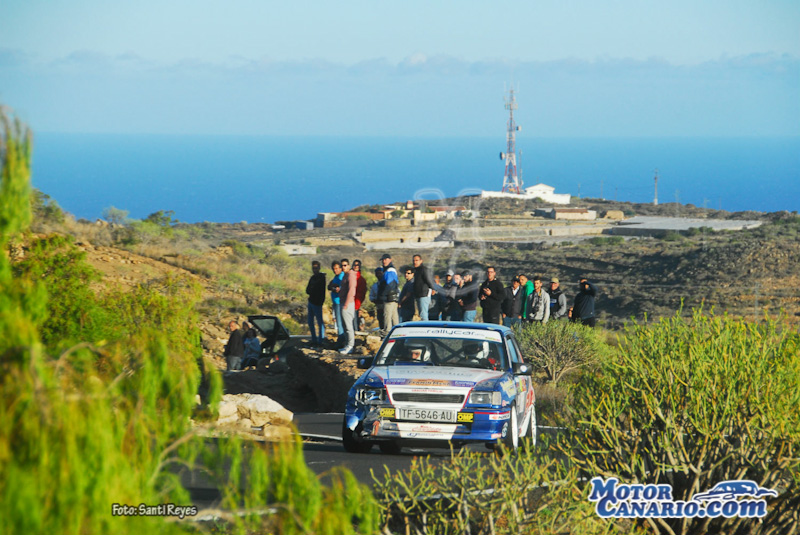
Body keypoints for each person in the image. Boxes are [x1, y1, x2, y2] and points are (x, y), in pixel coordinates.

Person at [338, 258, 357, 354]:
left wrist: (346, 304)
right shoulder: (345, 275)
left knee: (348, 326)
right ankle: (347, 345)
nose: (343, 267)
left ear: (349, 265)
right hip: (343, 302)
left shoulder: (351, 275)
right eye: (342, 266)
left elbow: (351, 290)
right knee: (345, 325)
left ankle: (350, 346)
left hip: (348, 303)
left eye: (345, 265)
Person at [305, 260, 326, 345]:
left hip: (317, 302)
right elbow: (307, 290)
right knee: (310, 322)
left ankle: (321, 340)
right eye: (313, 268)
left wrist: (312, 289)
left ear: (319, 268)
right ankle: (314, 339)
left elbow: (320, 290)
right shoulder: (312, 278)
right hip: (311, 301)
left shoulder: (321, 278)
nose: (315, 270)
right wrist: (312, 289)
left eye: (316, 268)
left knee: (319, 322)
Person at [378, 254, 400, 333]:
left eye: (385, 259)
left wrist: (383, 295)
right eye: (383, 260)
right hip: (393, 297)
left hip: (389, 298)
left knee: (387, 316)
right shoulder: (390, 270)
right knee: (394, 317)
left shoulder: (389, 270)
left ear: (390, 260)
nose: (384, 261)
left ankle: (387, 333)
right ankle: (397, 333)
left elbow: (389, 284)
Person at [412, 254, 435, 321]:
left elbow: (429, 280)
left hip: (424, 294)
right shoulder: (416, 271)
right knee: (421, 314)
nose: (415, 262)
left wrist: (433, 288)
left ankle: (425, 328)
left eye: (417, 260)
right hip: (418, 295)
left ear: (421, 261)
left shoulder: (424, 270)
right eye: (413, 260)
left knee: (423, 314)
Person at [328, 261, 344, 342]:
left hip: (339, 302)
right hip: (335, 302)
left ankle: (341, 340)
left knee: (340, 322)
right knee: (338, 322)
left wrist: (334, 289)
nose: (335, 270)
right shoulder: (336, 277)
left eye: (337, 268)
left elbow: (339, 289)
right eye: (334, 269)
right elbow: (329, 286)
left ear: (340, 268)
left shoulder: (342, 277)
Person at [352, 259, 368, 332]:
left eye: (357, 265)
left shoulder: (361, 280)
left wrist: (358, 303)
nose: (356, 267)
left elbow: (362, 292)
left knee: (354, 320)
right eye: (354, 265)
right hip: (348, 302)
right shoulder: (349, 276)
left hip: (356, 302)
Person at [370, 267, 384, 331]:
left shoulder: (388, 284)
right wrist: (375, 300)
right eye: (377, 273)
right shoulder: (375, 286)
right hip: (379, 307)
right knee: (381, 321)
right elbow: (371, 296)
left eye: (380, 273)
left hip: (387, 306)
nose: (379, 275)